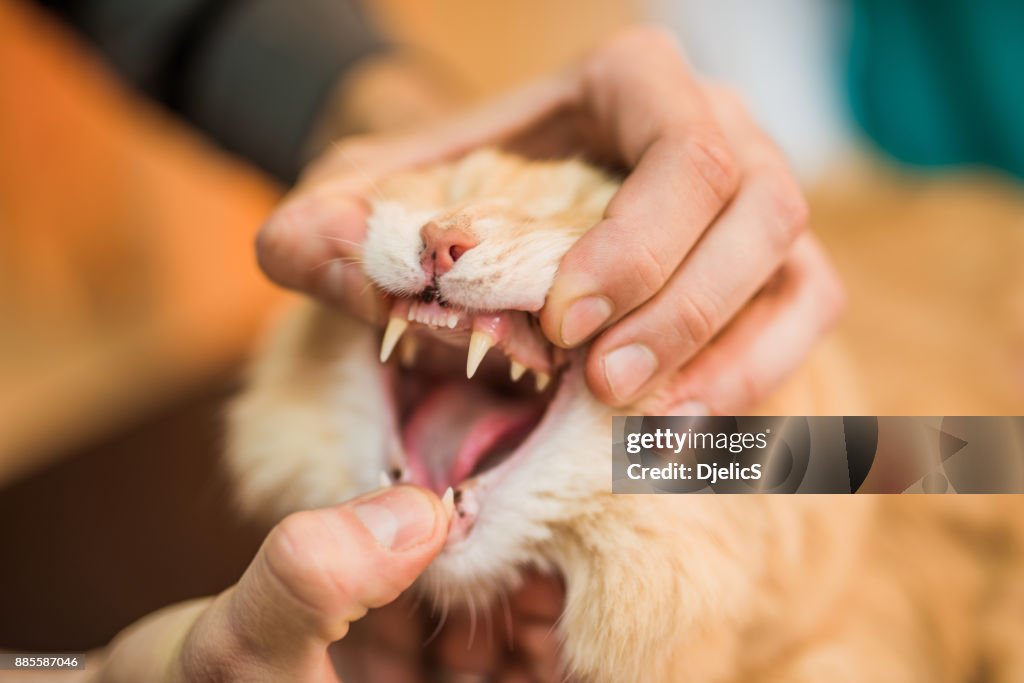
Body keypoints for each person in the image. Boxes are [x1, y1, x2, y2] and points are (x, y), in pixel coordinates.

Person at [27, 1, 836, 679]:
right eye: (449, 192)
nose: (447, 237)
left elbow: (941, 458)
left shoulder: (688, 441)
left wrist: (829, 458)